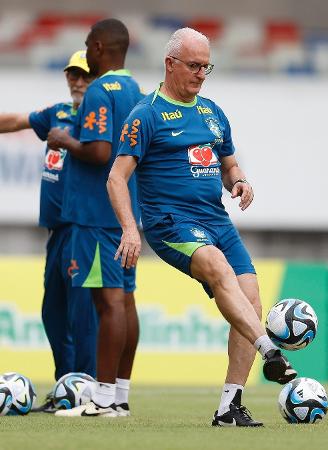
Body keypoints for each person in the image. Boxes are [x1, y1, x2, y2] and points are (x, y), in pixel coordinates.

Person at [107, 27, 297, 427]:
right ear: (170, 64)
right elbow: (116, 178)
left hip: (216, 219)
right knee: (216, 267)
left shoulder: (212, 111)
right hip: (170, 222)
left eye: (206, 66)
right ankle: (269, 350)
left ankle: (229, 406)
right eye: (193, 66)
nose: (200, 74)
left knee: (251, 296)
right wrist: (129, 229)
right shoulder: (146, 114)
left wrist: (240, 181)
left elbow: (228, 164)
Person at [47, 19, 144, 418]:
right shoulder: (136, 90)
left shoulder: (100, 91)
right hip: (125, 214)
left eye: (88, 45)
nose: (85, 52)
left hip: (95, 214)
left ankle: (102, 400)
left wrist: (65, 140)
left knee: (108, 304)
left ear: (101, 47)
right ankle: (119, 395)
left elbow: (100, 152)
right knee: (126, 301)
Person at [0, 50, 98, 412]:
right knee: (53, 313)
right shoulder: (57, 112)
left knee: (81, 313)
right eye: (72, 73)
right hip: (56, 230)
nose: (76, 80)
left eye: (84, 74)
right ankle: (65, 389)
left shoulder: (102, 120)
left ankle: (86, 391)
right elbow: (16, 121)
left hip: (84, 228)